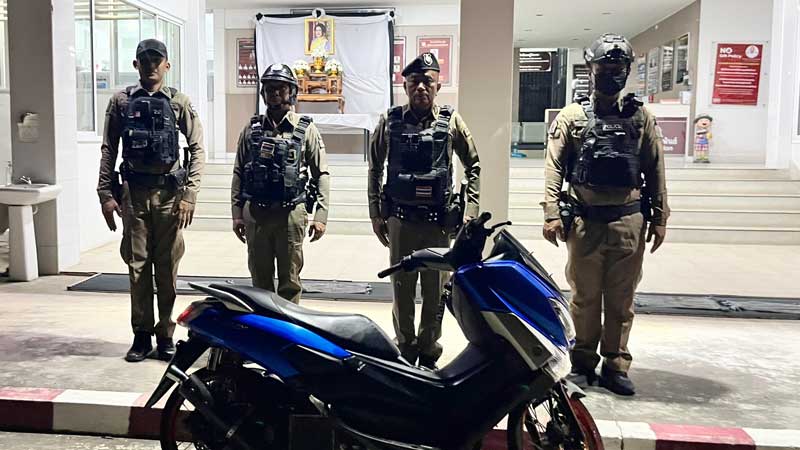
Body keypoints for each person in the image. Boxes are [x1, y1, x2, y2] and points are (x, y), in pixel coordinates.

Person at [541, 33, 669, 396]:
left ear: (627, 71)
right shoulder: (572, 117)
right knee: (584, 298)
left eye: (618, 67)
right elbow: (554, 167)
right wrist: (552, 212)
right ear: (591, 69)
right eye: (604, 66)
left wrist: (660, 216)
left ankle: (615, 364)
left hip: (629, 221)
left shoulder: (640, 117)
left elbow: (655, 168)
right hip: (585, 221)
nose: (611, 73)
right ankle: (582, 361)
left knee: (621, 300)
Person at [368, 52, 481, 369]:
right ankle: (405, 349)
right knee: (402, 290)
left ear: (438, 85)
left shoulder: (451, 121)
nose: (421, 87)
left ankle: (429, 351)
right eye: (414, 81)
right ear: (405, 85)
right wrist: (376, 213)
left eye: (427, 81)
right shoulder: (390, 121)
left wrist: (470, 211)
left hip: (438, 224)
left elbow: (473, 165)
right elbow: (375, 168)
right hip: (401, 222)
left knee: (436, 292)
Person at [97, 39, 204, 363]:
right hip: (134, 195)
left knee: (167, 268)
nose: (151, 66)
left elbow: (197, 148)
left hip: (170, 196)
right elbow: (109, 149)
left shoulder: (179, 102)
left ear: (167, 65)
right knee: (137, 267)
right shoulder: (120, 102)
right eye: (145, 60)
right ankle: (141, 336)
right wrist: (105, 194)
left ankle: (166, 334)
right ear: (136, 65)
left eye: (157, 60)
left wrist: (189, 195)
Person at [230, 63, 330, 304]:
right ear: (263, 93)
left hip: (290, 215)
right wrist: (237, 214)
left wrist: (321, 215)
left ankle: (288, 326)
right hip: (256, 214)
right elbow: (239, 172)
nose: (274, 92)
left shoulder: (305, 129)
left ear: (291, 91)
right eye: (269, 88)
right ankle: (264, 327)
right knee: (260, 282)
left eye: (281, 88)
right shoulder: (251, 129)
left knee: (290, 282)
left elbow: (321, 173)